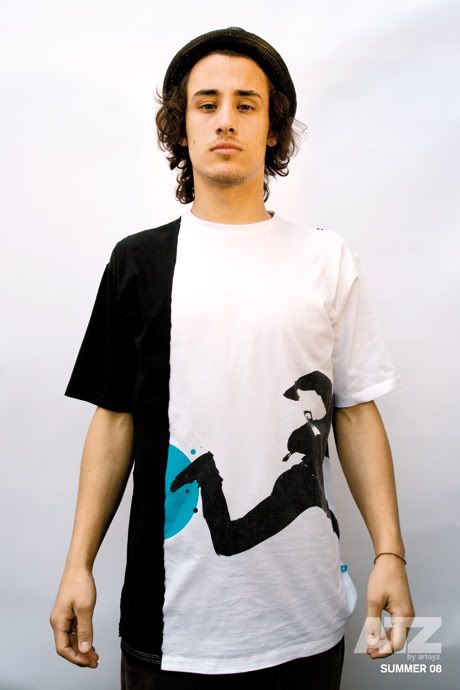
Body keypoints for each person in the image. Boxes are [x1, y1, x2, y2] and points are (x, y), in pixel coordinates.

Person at [49, 26, 415, 689]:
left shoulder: (326, 258)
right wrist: (79, 564)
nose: (226, 120)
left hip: (305, 623)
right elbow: (114, 421)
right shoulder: (139, 262)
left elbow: (356, 411)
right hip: (169, 627)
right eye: (207, 103)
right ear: (181, 126)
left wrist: (390, 553)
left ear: (273, 129)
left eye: (247, 104)